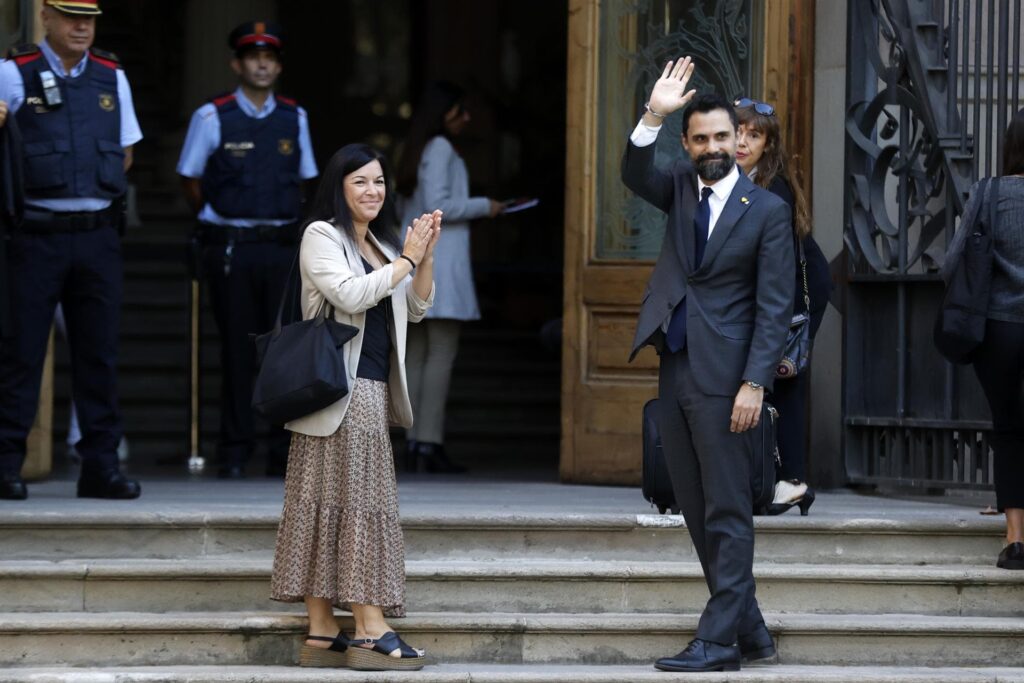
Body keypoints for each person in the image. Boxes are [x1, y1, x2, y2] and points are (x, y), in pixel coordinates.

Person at [622, 58, 794, 672]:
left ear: (739, 142)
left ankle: (718, 642)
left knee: (726, 506)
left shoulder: (767, 211)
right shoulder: (676, 185)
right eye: (701, 139)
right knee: (694, 506)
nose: (714, 147)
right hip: (676, 365)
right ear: (689, 144)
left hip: (729, 378)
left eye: (725, 137)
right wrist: (653, 114)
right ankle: (749, 628)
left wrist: (754, 381)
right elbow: (632, 168)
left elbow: (775, 308)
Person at [270, 144, 437, 670]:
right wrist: (406, 260)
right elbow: (348, 295)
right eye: (361, 181)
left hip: (369, 391)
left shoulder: (383, 245)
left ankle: (322, 630)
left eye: (380, 182)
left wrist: (423, 257)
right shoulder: (322, 235)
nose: (373, 191)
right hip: (341, 390)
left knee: (328, 506)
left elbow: (416, 308)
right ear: (339, 187)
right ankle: (369, 628)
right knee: (360, 507)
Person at [0, 0, 142, 501]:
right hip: (35, 234)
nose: (82, 26)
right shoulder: (12, 73)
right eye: (70, 16)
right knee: (21, 351)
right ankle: (5, 463)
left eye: (90, 18)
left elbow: (124, 153)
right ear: (46, 17)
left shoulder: (110, 75)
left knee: (98, 353)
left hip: (97, 236)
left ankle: (99, 467)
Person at [177, 22, 318, 479]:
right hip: (233, 250)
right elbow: (191, 180)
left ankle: (282, 451)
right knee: (238, 352)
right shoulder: (212, 115)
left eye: (270, 58)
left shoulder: (294, 117)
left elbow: (305, 181)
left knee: (284, 351)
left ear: (278, 66)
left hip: (280, 249)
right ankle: (235, 450)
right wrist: (222, 220)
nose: (262, 64)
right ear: (237, 64)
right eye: (253, 56)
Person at [395, 81, 505, 473]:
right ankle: (428, 442)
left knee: (419, 356)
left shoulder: (417, 148)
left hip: (418, 260)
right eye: (460, 111)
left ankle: (415, 443)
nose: (466, 118)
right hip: (442, 262)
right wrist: (485, 205)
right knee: (440, 354)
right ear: (444, 114)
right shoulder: (440, 147)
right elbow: (438, 204)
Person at [734, 98, 831, 515]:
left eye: (753, 135)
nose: (742, 141)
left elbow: (776, 261)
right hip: (778, 290)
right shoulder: (740, 179)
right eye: (737, 131)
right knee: (774, 382)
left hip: (794, 292)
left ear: (767, 145)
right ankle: (780, 480)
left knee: (782, 379)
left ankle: (790, 481)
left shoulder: (771, 186)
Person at [943, 109, 1024, 570]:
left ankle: (1015, 540)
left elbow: (954, 260)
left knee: (1009, 430)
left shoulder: (989, 192)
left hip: (999, 329)